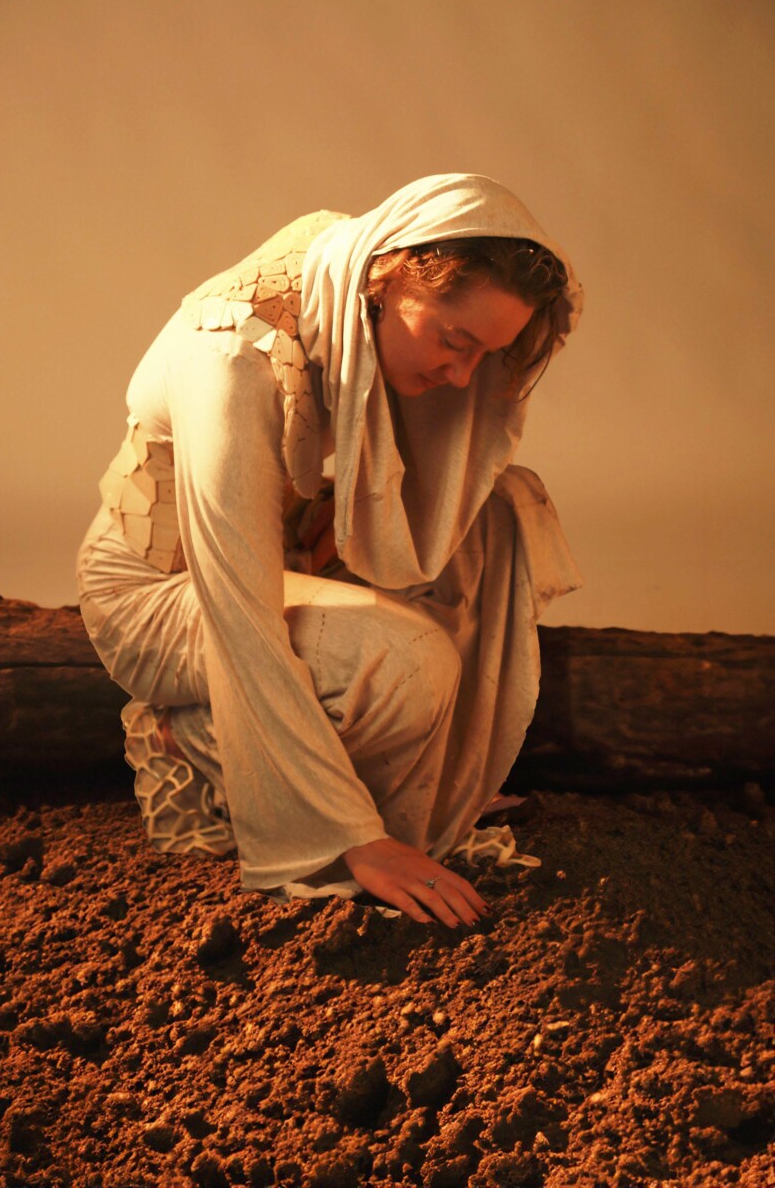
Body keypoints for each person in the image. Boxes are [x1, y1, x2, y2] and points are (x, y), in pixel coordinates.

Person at [76, 173, 583, 929]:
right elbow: (238, 610)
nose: (460, 375)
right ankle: (184, 743)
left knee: (500, 511)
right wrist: (354, 838)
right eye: (454, 342)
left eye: (486, 355)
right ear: (390, 277)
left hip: (270, 543)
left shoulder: (343, 264)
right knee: (409, 663)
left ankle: (432, 785)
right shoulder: (229, 359)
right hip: (159, 592)